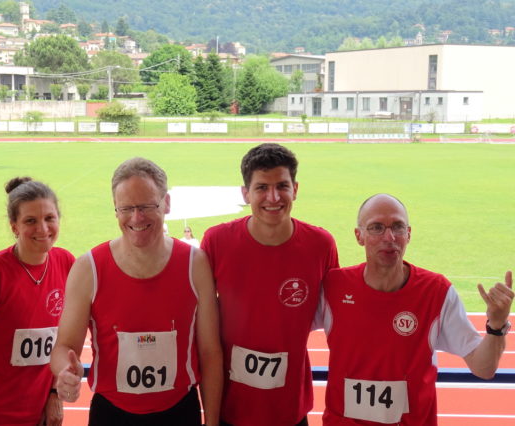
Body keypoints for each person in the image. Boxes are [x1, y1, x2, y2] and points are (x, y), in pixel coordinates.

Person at [51, 157, 223, 425]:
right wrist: (64, 371)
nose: (136, 218)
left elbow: (210, 353)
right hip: (112, 414)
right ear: (115, 209)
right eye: (126, 208)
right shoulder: (89, 269)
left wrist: (212, 422)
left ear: (166, 204)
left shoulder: (195, 264)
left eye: (146, 206)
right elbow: (64, 346)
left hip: (180, 411)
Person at [318, 193, 513, 425]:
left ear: (409, 234)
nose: (389, 237)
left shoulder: (436, 292)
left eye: (398, 227)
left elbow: (484, 368)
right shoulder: (333, 287)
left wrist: (497, 325)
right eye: (376, 228)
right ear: (359, 236)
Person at [201, 143, 339, 426]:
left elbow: (337, 319)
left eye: (282, 186)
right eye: (262, 187)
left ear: (295, 189)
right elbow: (201, 327)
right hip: (231, 409)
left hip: (290, 412)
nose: (273, 197)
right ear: (245, 193)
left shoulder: (321, 245)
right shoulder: (216, 242)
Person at [0, 177, 75, 426]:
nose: (43, 229)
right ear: (14, 226)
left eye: (49, 218)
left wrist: (55, 394)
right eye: (30, 221)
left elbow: (63, 340)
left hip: (42, 412)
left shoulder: (66, 263)